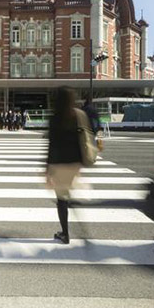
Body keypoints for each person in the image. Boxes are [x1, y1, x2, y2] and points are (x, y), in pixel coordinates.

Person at [46, 87, 95, 244]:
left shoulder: (55, 117)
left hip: (60, 163)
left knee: (61, 199)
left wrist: (47, 169)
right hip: (75, 162)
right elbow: (87, 134)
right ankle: (72, 210)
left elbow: (51, 146)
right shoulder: (79, 115)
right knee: (67, 195)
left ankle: (65, 233)